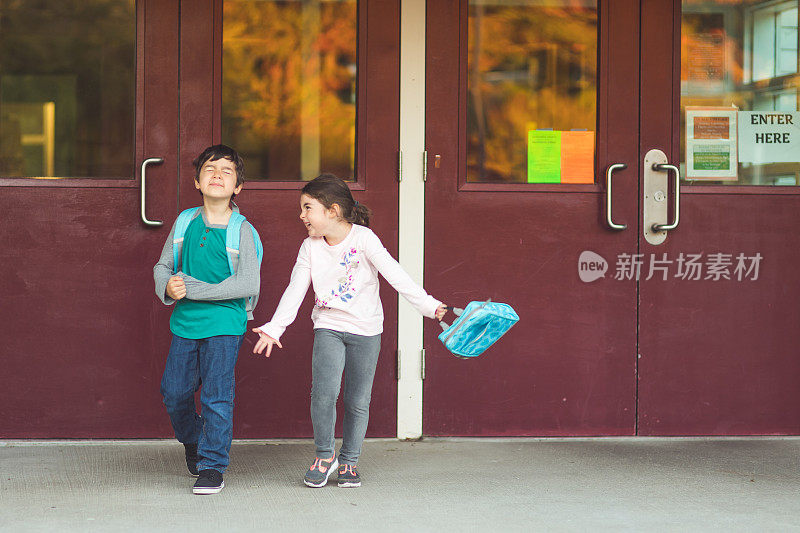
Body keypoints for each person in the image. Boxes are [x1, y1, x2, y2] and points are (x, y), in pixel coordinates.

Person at [252, 173, 446, 488]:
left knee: (358, 399)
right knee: (324, 394)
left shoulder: (364, 239)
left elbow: (395, 274)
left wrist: (429, 306)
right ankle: (324, 455)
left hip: (366, 330)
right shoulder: (309, 247)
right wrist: (275, 327)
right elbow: (296, 289)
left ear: (333, 211)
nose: (302, 215)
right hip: (328, 325)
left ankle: (349, 461)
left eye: (307, 208)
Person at [153, 145, 261, 495]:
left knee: (216, 395)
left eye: (227, 171)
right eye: (210, 169)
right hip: (186, 323)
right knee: (174, 392)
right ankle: (194, 439)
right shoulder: (185, 221)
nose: (217, 175)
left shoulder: (242, 230)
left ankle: (213, 465)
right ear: (197, 180)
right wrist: (167, 284)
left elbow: (247, 284)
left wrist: (194, 288)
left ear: (238, 187)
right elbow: (163, 266)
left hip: (226, 324)